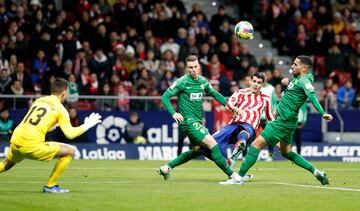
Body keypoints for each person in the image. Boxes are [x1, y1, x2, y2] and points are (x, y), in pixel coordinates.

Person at [220, 55, 333, 185]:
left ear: (305, 68)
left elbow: (312, 96)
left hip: (282, 121)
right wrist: (287, 83)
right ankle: (316, 172)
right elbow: (295, 91)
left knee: (255, 146)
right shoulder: (299, 79)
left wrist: (323, 113)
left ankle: (238, 178)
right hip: (288, 122)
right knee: (287, 152)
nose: (292, 66)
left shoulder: (304, 81)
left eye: (296, 64)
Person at [0, 78, 102, 193]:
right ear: (64, 92)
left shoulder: (39, 101)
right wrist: (87, 125)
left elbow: (33, 121)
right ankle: (50, 186)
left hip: (16, 139)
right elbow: (70, 134)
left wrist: (49, 127)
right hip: (31, 143)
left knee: (6, 164)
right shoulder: (61, 109)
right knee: (70, 151)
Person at [157, 55, 242, 182]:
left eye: (196, 66)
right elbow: (165, 97)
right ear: (186, 68)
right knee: (213, 144)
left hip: (197, 121)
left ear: (199, 66)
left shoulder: (203, 81)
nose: (194, 70)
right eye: (190, 67)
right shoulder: (182, 82)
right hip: (188, 122)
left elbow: (215, 94)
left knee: (198, 150)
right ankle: (232, 175)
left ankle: (167, 167)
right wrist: (174, 113)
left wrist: (230, 106)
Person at [201, 72, 275, 170]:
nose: (256, 84)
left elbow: (270, 117)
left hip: (250, 126)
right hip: (233, 124)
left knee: (244, 131)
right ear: (250, 81)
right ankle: (228, 162)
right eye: (254, 81)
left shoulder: (266, 99)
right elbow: (229, 104)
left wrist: (276, 132)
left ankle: (242, 143)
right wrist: (236, 109)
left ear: (262, 84)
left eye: (259, 82)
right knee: (205, 147)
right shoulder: (239, 93)